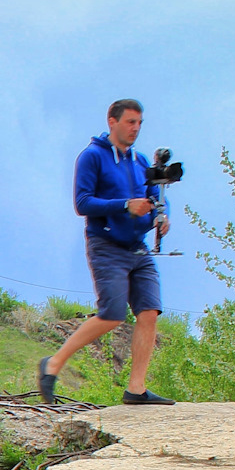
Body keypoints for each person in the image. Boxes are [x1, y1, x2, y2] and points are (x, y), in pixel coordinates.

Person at [39, 99, 176, 406]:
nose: (136, 129)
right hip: (106, 245)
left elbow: (155, 196)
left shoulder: (141, 162)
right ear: (112, 122)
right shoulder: (92, 157)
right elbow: (82, 203)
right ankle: (53, 364)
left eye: (139, 123)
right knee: (112, 314)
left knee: (150, 311)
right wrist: (124, 205)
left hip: (138, 247)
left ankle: (136, 390)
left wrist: (161, 217)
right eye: (130, 122)